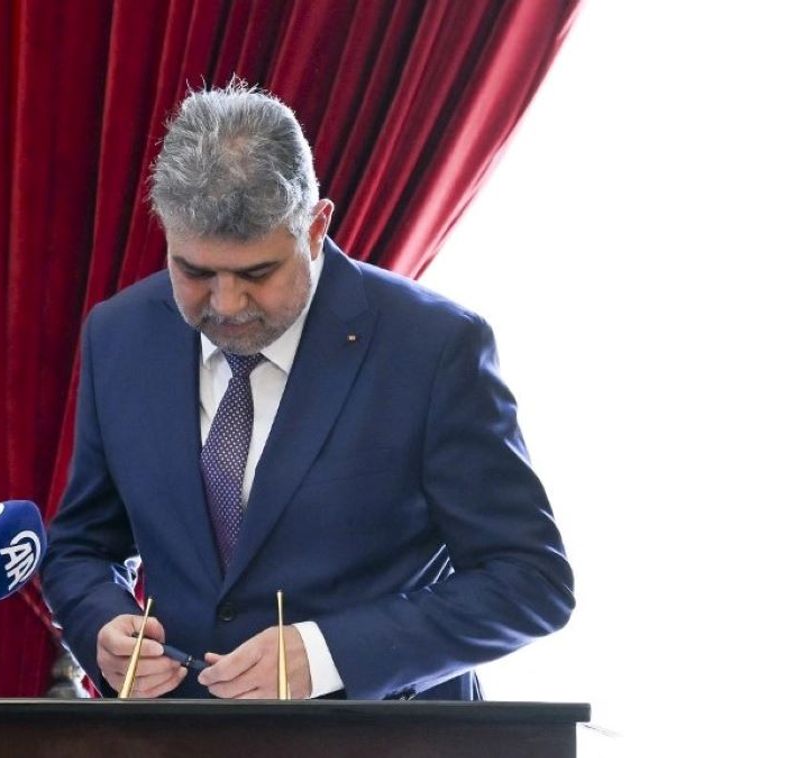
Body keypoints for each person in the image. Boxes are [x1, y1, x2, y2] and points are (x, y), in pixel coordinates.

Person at [40, 82, 574, 700]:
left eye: (257, 273)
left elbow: (531, 582)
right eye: (195, 271)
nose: (225, 304)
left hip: (386, 741)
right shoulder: (119, 335)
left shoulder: (434, 347)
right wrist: (102, 626)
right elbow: (82, 547)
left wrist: (326, 654)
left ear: (316, 226)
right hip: (178, 739)